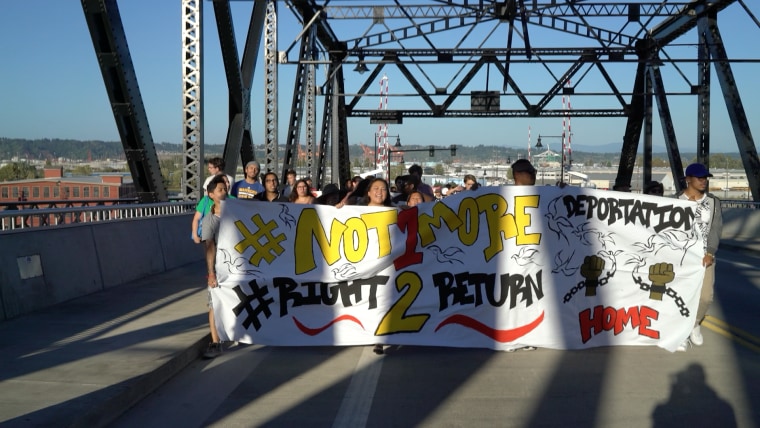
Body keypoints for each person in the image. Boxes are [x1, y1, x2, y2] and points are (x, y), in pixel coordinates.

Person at [675, 163, 722, 352]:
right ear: (688, 179)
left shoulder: (713, 202)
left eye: (705, 178)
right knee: (681, 297)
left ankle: (694, 324)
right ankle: (681, 333)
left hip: (705, 258)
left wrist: (710, 251)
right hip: (681, 259)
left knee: (705, 298)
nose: (704, 181)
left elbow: (716, 228)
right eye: (699, 178)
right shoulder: (675, 201)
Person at [363, 177, 395, 355]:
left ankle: (379, 338)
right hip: (363, 264)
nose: (379, 192)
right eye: (375, 188)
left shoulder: (394, 211)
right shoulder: (354, 211)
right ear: (368, 192)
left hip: (386, 265)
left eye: (383, 189)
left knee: (382, 299)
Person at [200, 175, 228, 359]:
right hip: (220, 268)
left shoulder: (236, 212)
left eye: (225, 188)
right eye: (220, 190)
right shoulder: (210, 221)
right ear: (211, 195)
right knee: (214, 304)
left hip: (236, 267)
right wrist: (211, 273)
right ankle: (215, 342)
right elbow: (209, 247)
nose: (224, 192)